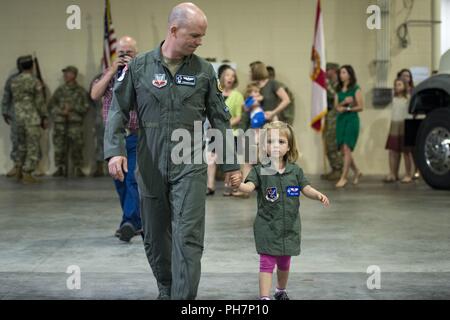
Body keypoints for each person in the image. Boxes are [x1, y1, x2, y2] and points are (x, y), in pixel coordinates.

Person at [104, 2, 242, 300]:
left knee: (188, 237)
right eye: (194, 35)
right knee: (155, 236)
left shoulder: (204, 71)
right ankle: (166, 290)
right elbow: (117, 110)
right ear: (174, 30)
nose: (199, 42)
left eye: (202, 36)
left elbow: (220, 119)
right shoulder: (139, 67)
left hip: (190, 162)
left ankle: (183, 300)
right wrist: (114, 150)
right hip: (149, 161)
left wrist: (231, 164)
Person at [232, 121, 329, 300]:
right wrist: (239, 185)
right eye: (270, 142)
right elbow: (249, 187)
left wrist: (317, 195)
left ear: (289, 146)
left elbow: (305, 188)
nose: (275, 146)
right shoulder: (260, 170)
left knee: (285, 261)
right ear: (264, 146)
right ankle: (264, 298)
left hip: (289, 226)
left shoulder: (295, 171)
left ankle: (280, 291)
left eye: (281, 142)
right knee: (267, 262)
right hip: (267, 225)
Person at [91, 36, 142, 242]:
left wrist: (134, 70)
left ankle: (129, 222)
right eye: (122, 53)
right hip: (114, 138)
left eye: (129, 52)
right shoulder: (107, 75)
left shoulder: (141, 74)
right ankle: (134, 222)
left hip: (136, 137)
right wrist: (112, 71)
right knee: (120, 181)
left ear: (136, 54)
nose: (125, 56)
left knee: (133, 180)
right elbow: (94, 94)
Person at [206, 64, 244, 197]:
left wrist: (223, 124)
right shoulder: (216, 92)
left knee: (229, 159)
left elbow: (238, 117)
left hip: (230, 131)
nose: (231, 78)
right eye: (228, 75)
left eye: (233, 76)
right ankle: (210, 186)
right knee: (211, 159)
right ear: (222, 77)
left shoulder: (238, 95)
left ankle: (231, 186)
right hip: (214, 131)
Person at [10, 56, 48, 184]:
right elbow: (39, 101)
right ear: (32, 66)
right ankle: (27, 173)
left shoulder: (14, 81)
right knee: (32, 146)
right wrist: (44, 116)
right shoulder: (34, 81)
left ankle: (19, 169)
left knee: (21, 145)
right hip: (31, 117)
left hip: (17, 117)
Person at [48, 66, 89, 178]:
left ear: (74, 75)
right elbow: (51, 106)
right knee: (59, 146)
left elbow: (86, 107)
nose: (65, 75)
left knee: (77, 146)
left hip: (75, 123)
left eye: (68, 73)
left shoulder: (81, 91)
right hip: (60, 123)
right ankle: (60, 168)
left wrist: (72, 107)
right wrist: (61, 111)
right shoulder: (60, 90)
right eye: (65, 73)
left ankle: (78, 168)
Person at [334, 65, 363, 188]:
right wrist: (344, 102)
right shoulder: (338, 89)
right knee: (343, 149)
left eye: (344, 72)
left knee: (347, 148)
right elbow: (337, 107)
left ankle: (344, 177)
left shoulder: (356, 89)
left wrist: (348, 108)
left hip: (352, 120)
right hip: (341, 120)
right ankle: (357, 171)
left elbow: (361, 107)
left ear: (350, 74)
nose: (341, 75)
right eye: (340, 73)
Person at [384, 78, 413, 183]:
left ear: (405, 86)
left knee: (406, 152)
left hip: (405, 124)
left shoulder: (408, 98)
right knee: (393, 151)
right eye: (396, 85)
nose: (397, 87)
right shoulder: (394, 98)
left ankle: (408, 174)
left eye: (400, 84)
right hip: (394, 124)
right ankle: (393, 173)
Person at [397, 68, 419, 180]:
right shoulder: (398, 92)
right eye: (404, 76)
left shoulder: (413, 91)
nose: (406, 78)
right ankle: (408, 173)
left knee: (413, 150)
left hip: (411, 122)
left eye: (408, 76)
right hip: (401, 122)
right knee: (405, 151)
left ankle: (417, 170)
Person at [322, 62, 343, 181]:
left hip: (337, 117)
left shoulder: (339, 85)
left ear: (334, 70)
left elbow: (335, 96)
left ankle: (338, 169)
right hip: (329, 116)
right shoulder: (330, 84)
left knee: (333, 143)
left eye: (328, 70)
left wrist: (325, 85)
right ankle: (334, 169)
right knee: (328, 143)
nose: (326, 72)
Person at [2, 57, 22, 177]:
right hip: (15, 114)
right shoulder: (12, 79)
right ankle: (16, 165)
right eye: (19, 64)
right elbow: (6, 95)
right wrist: (4, 111)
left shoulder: (34, 79)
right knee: (15, 140)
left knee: (32, 141)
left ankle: (31, 167)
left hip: (31, 117)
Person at [89, 72, 107, 177]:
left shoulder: (124, 74)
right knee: (100, 141)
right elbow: (92, 96)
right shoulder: (98, 78)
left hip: (118, 116)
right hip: (101, 116)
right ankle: (99, 167)